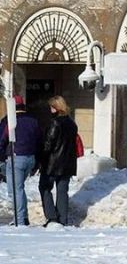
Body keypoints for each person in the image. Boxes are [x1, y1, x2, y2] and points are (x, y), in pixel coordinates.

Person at [0, 95, 42, 226]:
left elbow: (2, 140)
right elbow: (39, 140)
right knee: (19, 188)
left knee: (15, 190)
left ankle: (20, 219)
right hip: (30, 158)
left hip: (15, 157)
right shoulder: (34, 121)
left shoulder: (9, 122)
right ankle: (24, 216)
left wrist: (1, 157)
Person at [39, 95, 77, 227]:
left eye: (51, 106)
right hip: (67, 163)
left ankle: (51, 217)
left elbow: (48, 144)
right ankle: (62, 219)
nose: (50, 109)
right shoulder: (72, 123)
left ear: (56, 108)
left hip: (52, 163)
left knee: (44, 188)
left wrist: (41, 160)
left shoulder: (55, 123)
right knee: (62, 191)